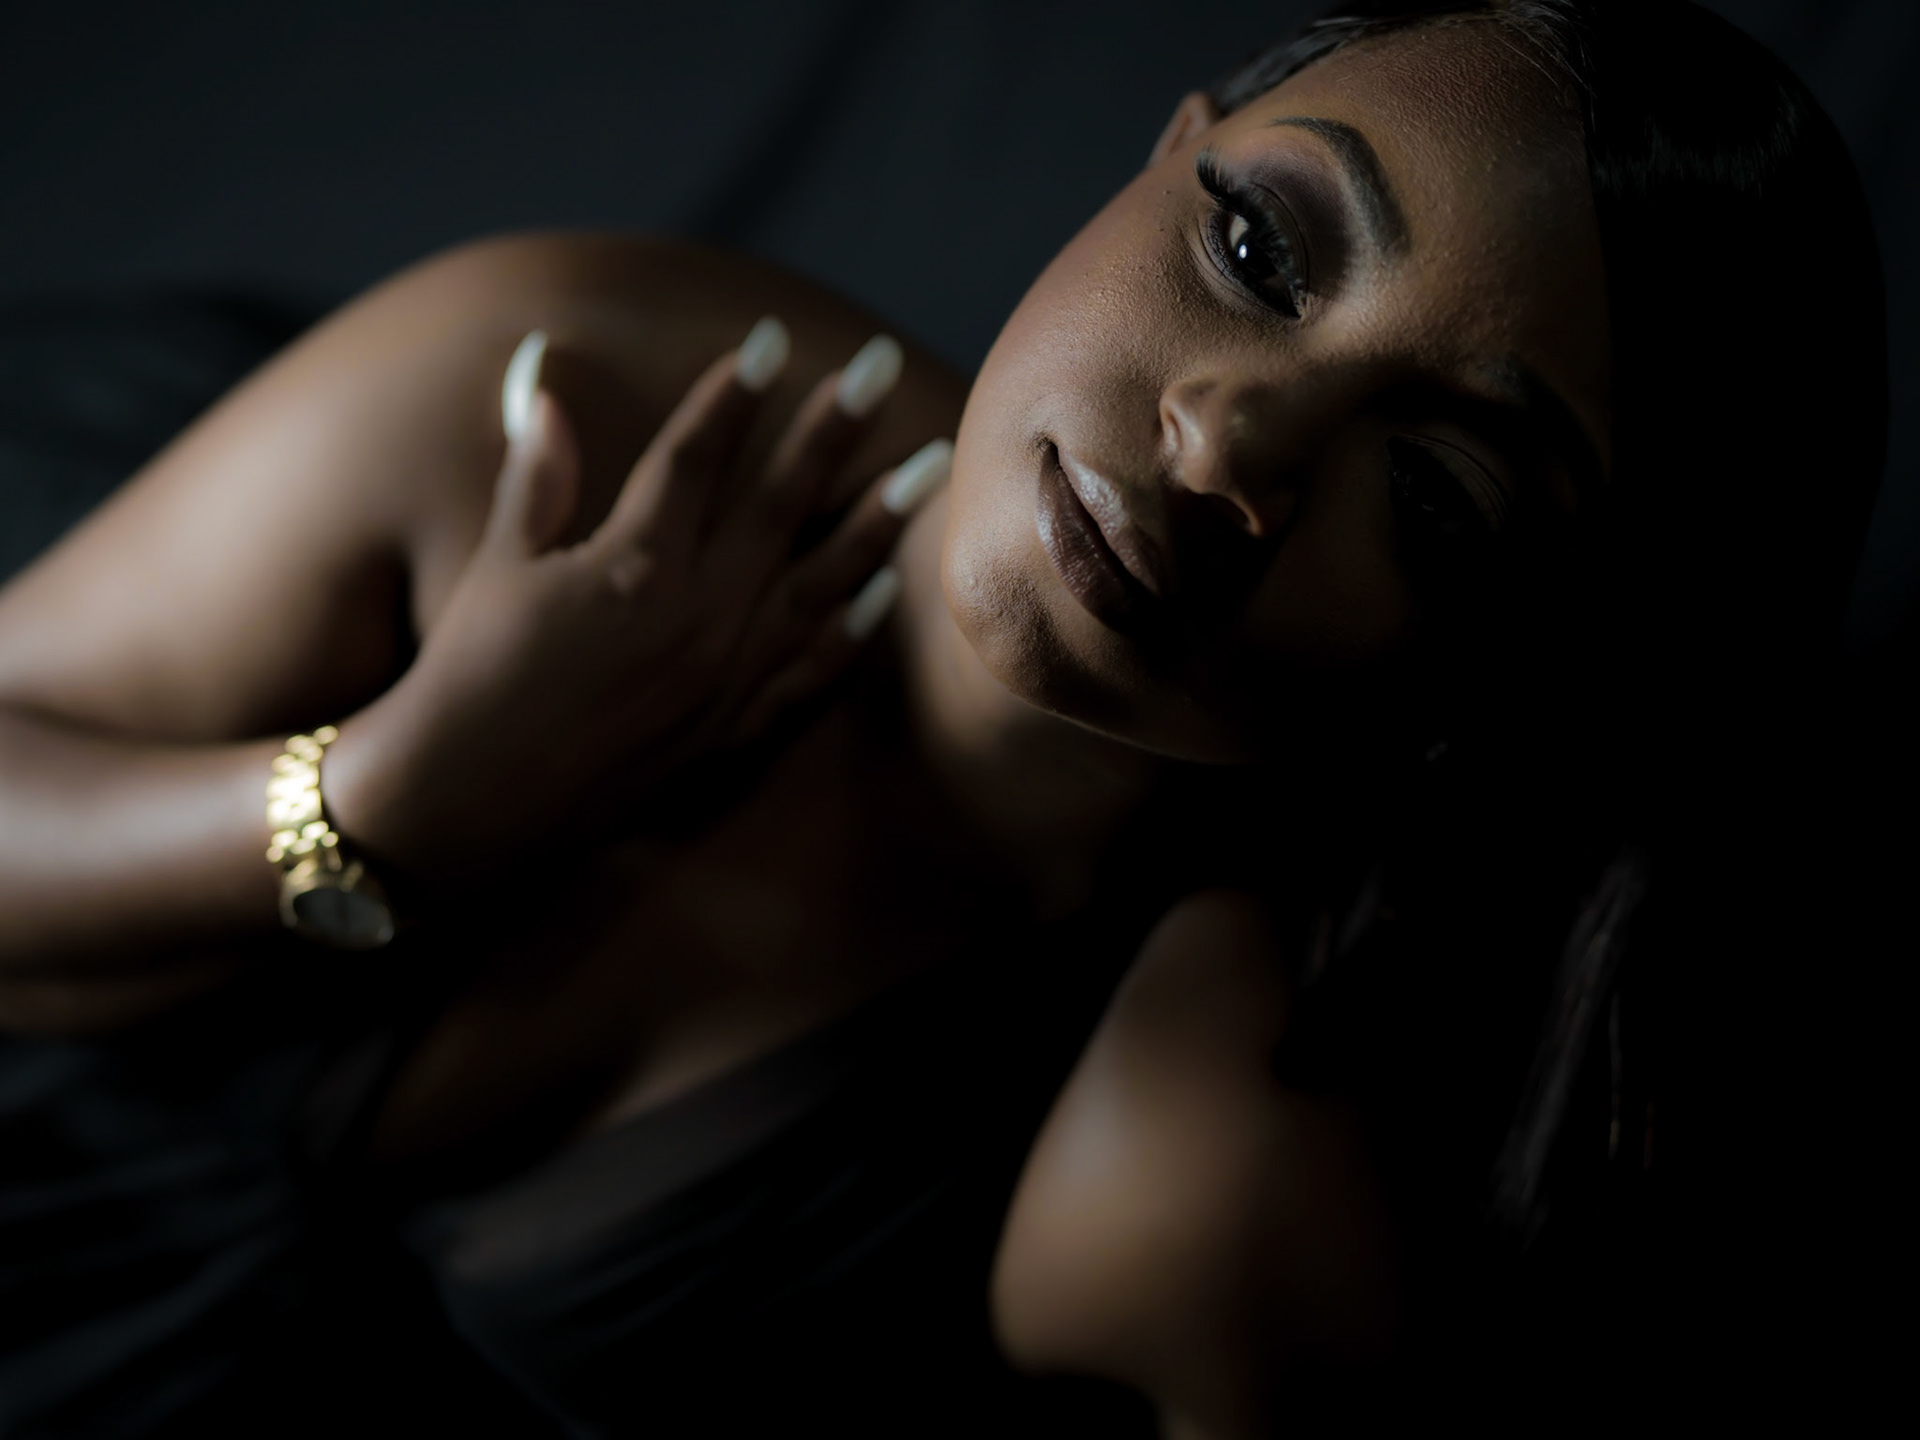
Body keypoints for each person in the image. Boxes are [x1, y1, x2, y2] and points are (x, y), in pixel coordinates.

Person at [0, 0, 1885, 1433]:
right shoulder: (585, 402)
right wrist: (383, 797)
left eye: (1439, 498)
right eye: (1258, 251)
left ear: (1498, 686)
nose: (1227, 439)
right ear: (1166, 155)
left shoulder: (1206, 1162)